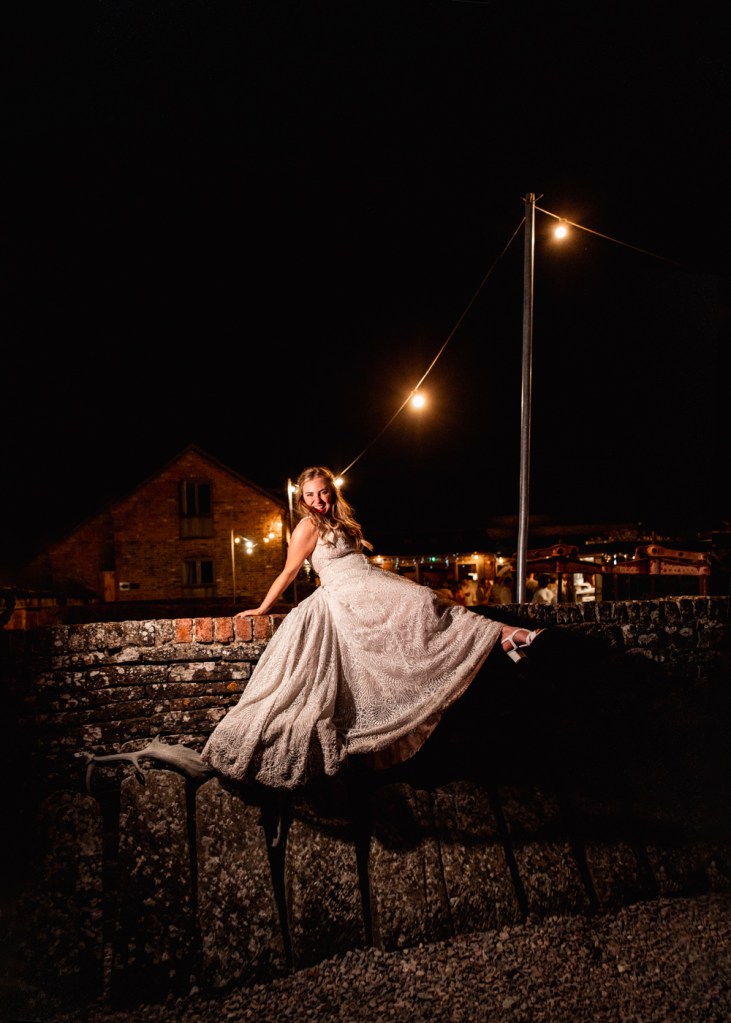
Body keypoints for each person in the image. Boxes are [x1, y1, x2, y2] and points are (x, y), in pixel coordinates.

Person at [201, 467, 544, 789]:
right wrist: (263, 607)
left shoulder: (344, 523)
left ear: (331, 493)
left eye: (323, 493)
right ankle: (506, 636)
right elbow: (289, 571)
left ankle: (502, 635)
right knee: (423, 604)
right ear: (302, 500)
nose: (319, 501)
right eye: (311, 495)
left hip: (370, 586)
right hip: (346, 596)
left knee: (427, 603)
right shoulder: (307, 527)